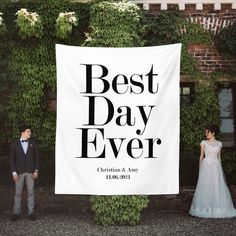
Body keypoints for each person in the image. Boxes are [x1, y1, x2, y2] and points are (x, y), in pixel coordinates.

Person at [189, 124, 236, 218]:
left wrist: (220, 170)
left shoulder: (219, 144)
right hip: (206, 165)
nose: (206, 134)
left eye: (208, 132)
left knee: (217, 186)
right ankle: (205, 208)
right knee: (206, 185)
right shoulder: (203, 143)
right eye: (206, 132)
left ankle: (217, 208)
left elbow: (219, 158)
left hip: (216, 166)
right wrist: (200, 168)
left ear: (213, 133)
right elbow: (201, 156)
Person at [9, 125, 40, 221]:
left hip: (31, 172)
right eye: (28, 131)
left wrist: (36, 170)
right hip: (19, 172)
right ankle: (16, 213)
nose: (30, 133)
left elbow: (37, 158)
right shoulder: (15, 144)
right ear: (22, 133)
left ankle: (31, 213)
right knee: (18, 193)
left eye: (30, 131)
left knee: (31, 192)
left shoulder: (33, 144)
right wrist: (14, 173)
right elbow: (11, 160)